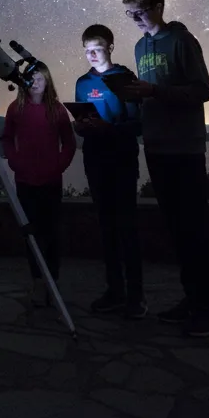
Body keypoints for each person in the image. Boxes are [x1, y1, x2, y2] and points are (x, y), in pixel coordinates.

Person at [117, 0, 209, 337]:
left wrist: (154, 91)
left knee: (196, 229)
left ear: (158, 5)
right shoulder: (139, 46)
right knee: (178, 230)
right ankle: (192, 299)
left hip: (185, 146)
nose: (134, 18)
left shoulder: (182, 41)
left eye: (139, 10)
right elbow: (152, 95)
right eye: (129, 13)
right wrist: (135, 96)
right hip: (157, 145)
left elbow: (201, 91)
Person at [74, 24, 145, 318]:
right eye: (87, 49)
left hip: (122, 160)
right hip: (95, 160)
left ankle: (136, 297)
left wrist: (109, 129)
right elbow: (82, 118)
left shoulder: (125, 79)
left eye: (97, 48)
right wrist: (81, 127)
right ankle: (114, 290)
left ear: (110, 48)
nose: (91, 54)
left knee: (127, 228)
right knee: (106, 229)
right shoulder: (81, 82)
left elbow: (138, 124)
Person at [0, 63, 76, 306]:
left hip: (51, 181)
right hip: (25, 181)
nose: (35, 83)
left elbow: (70, 143)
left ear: (47, 82)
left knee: (51, 234)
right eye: (31, 79)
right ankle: (37, 283)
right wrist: (14, 161)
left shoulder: (58, 110)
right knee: (31, 235)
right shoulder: (15, 109)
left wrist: (58, 166)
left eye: (40, 79)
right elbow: (7, 138)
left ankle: (52, 282)